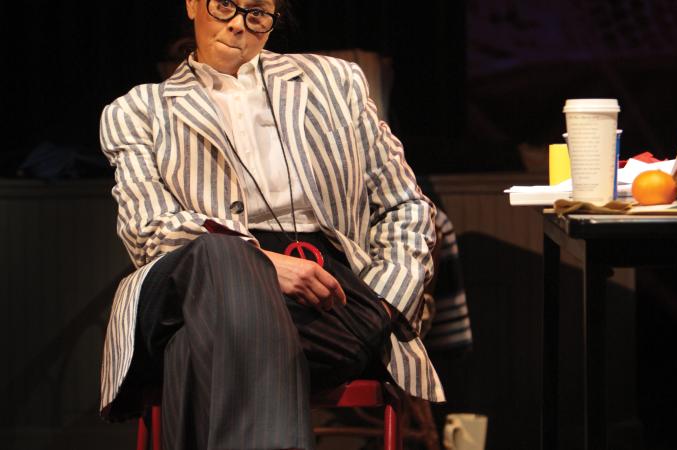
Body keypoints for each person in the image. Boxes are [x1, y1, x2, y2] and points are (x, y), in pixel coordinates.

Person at [98, 0, 444, 448]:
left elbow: (406, 206)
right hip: (190, 279)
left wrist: (384, 305)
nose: (240, 24)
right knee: (217, 254)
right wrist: (258, 264)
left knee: (190, 352)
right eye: (225, 5)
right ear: (190, 4)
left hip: (328, 296)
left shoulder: (334, 83)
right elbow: (147, 230)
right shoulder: (138, 111)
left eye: (258, 12)